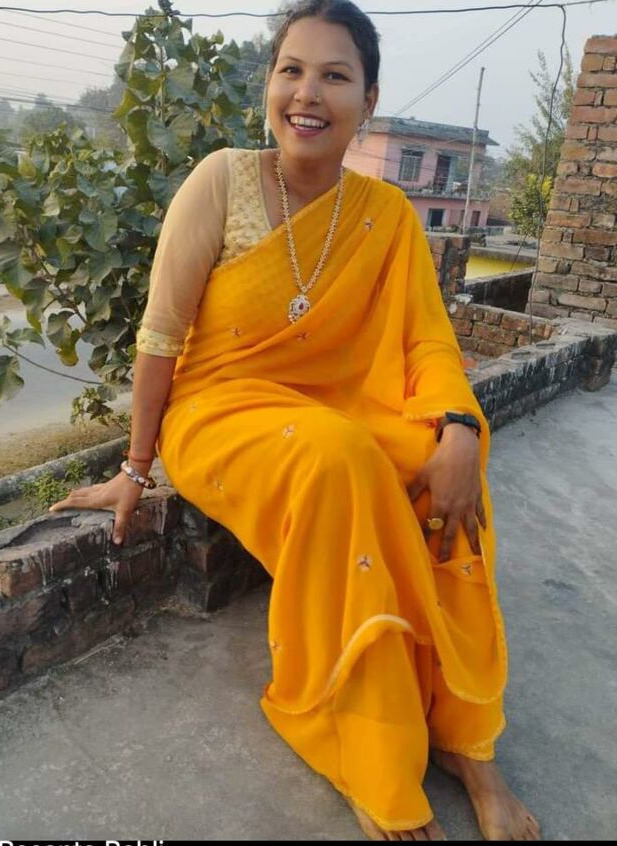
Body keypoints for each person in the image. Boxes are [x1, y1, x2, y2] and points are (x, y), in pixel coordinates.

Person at [51, 1, 542, 840]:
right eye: (292, 70)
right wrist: (135, 469)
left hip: (333, 407)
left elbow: (427, 341)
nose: (307, 93)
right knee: (339, 458)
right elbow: (161, 337)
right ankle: (371, 743)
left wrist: (460, 423)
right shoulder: (221, 179)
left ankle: (465, 738)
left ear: (368, 101)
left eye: (334, 76)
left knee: (448, 459)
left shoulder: (386, 216)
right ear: (270, 86)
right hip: (218, 411)